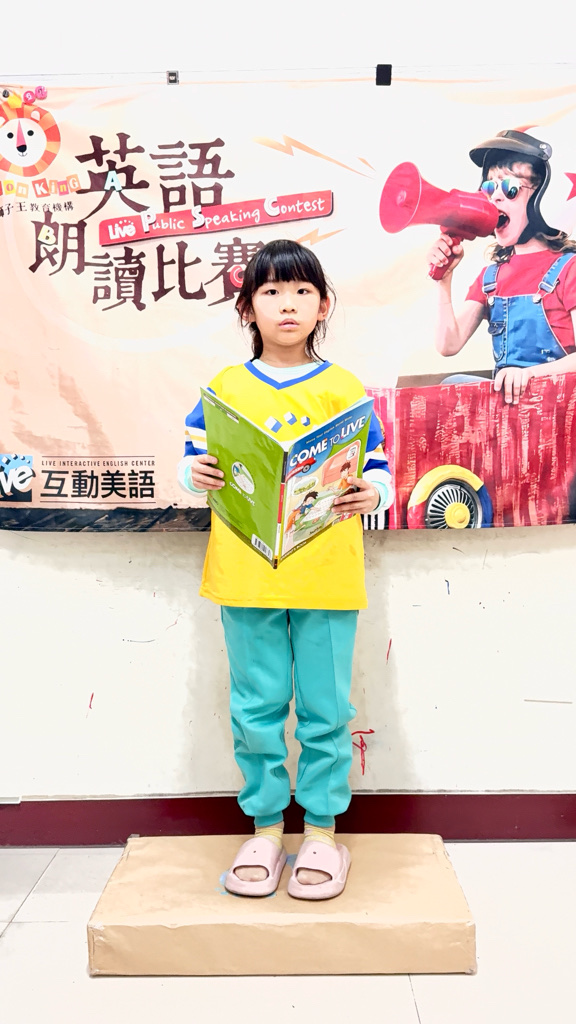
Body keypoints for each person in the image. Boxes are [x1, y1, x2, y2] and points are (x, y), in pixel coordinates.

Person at [177, 239, 392, 900]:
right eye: (270, 291)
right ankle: (266, 830)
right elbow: (193, 457)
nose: (287, 304)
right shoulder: (224, 388)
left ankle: (322, 832)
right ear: (247, 308)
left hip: (327, 572)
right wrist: (193, 473)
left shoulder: (343, 388)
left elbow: (376, 465)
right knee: (256, 707)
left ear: (323, 305)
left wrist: (374, 493)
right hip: (245, 573)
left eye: (302, 290)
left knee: (327, 708)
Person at [428, 129, 576, 404]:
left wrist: (530, 375)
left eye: (510, 188)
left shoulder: (570, 269)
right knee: (452, 385)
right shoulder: (490, 278)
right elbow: (448, 345)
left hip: (561, 409)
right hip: (510, 411)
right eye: (488, 188)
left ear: (547, 198)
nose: (495, 198)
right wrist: (443, 280)